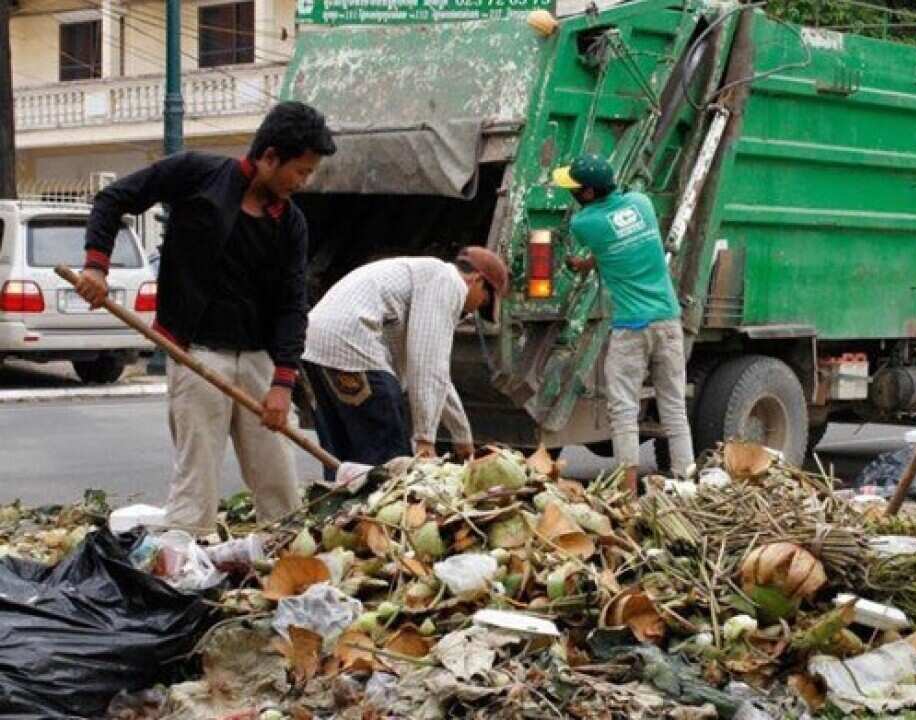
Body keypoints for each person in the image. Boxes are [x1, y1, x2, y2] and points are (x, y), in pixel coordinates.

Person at [75, 102, 336, 535]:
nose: (302, 182)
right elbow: (112, 199)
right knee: (198, 484)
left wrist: (282, 383)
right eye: (300, 171)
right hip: (194, 352)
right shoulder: (196, 174)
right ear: (270, 157)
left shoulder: (291, 224)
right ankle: (182, 570)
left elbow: (293, 305)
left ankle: (288, 564)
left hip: (258, 360)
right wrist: (96, 266)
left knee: (280, 486)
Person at [555, 153, 694, 492]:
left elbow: (605, 243)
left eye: (574, 188)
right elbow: (619, 250)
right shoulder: (642, 203)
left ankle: (628, 491)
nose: (570, 192)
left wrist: (579, 263)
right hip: (668, 320)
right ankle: (687, 483)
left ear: (587, 193)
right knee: (674, 405)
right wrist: (590, 264)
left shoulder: (584, 223)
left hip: (632, 328)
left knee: (623, 408)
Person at [302, 248, 509, 474]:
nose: (475, 310)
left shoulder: (425, 274)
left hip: (313, 347)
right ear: (476, 280)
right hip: (351, 345)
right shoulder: (448, 282)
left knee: (343, 460)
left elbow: (438, 378)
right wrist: (425, 439)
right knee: (390, 463)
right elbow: (427, 365)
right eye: (483, 301)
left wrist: (462, 436)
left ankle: (339, 507)